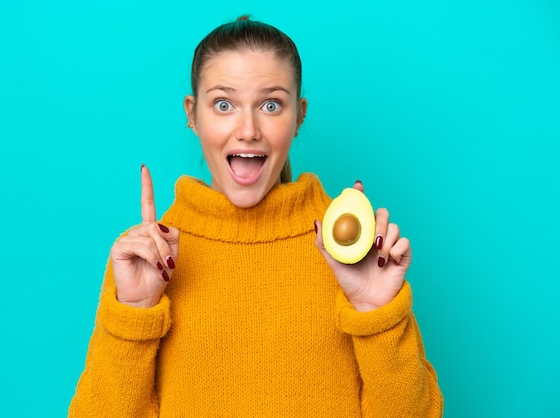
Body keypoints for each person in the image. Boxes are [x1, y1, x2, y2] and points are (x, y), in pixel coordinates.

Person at [69, 16, 444, 417]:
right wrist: (135, 313)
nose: (248, 130)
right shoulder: (149, 257)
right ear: (192, 114)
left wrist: (376, 314)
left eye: (271, 104)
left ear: (299, 116)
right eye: (224, 104)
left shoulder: (354, 252)